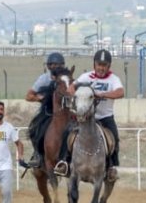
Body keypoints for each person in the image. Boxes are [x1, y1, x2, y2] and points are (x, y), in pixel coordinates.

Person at [57, 49, 124, 181]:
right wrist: (74, 95)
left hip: (105, 117)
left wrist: (102, 94)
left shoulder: (114, 79)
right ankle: (64, 162)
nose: (101, 68)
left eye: (104, 65)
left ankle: (111, 167)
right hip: (83, 118)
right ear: (94, 64)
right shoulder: (86, 77)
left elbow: (120, 92)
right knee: (67, 132)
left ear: (109, 66)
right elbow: (71, 88)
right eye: (99, 64)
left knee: (114, 138)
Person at [24, 52, 65, 169]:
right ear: (48, 66)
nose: (55, 67)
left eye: (58, 64)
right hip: (48, 113)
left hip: (65, 113)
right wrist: (41, 98)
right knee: (34, 130)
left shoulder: (66, 78)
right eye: (52, 64)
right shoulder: (43, 79)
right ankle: (37, 154)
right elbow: (28, 96)